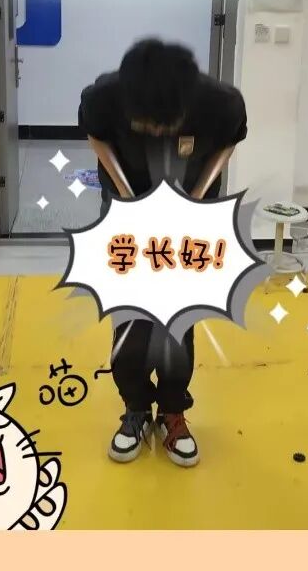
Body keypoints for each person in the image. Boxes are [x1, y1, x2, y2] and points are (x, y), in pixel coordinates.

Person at [78, 38, 247, 467]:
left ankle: (173, 411)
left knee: (176, 317)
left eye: (161, 128)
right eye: (146, 127)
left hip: (187, 215)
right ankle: (136, 408)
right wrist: (128, 197)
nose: (155, 134)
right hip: (124, 210)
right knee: (132, 318)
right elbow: (97, 138)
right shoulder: (104, 97)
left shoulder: (220, 103)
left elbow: (228, 143)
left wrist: (197, 196)